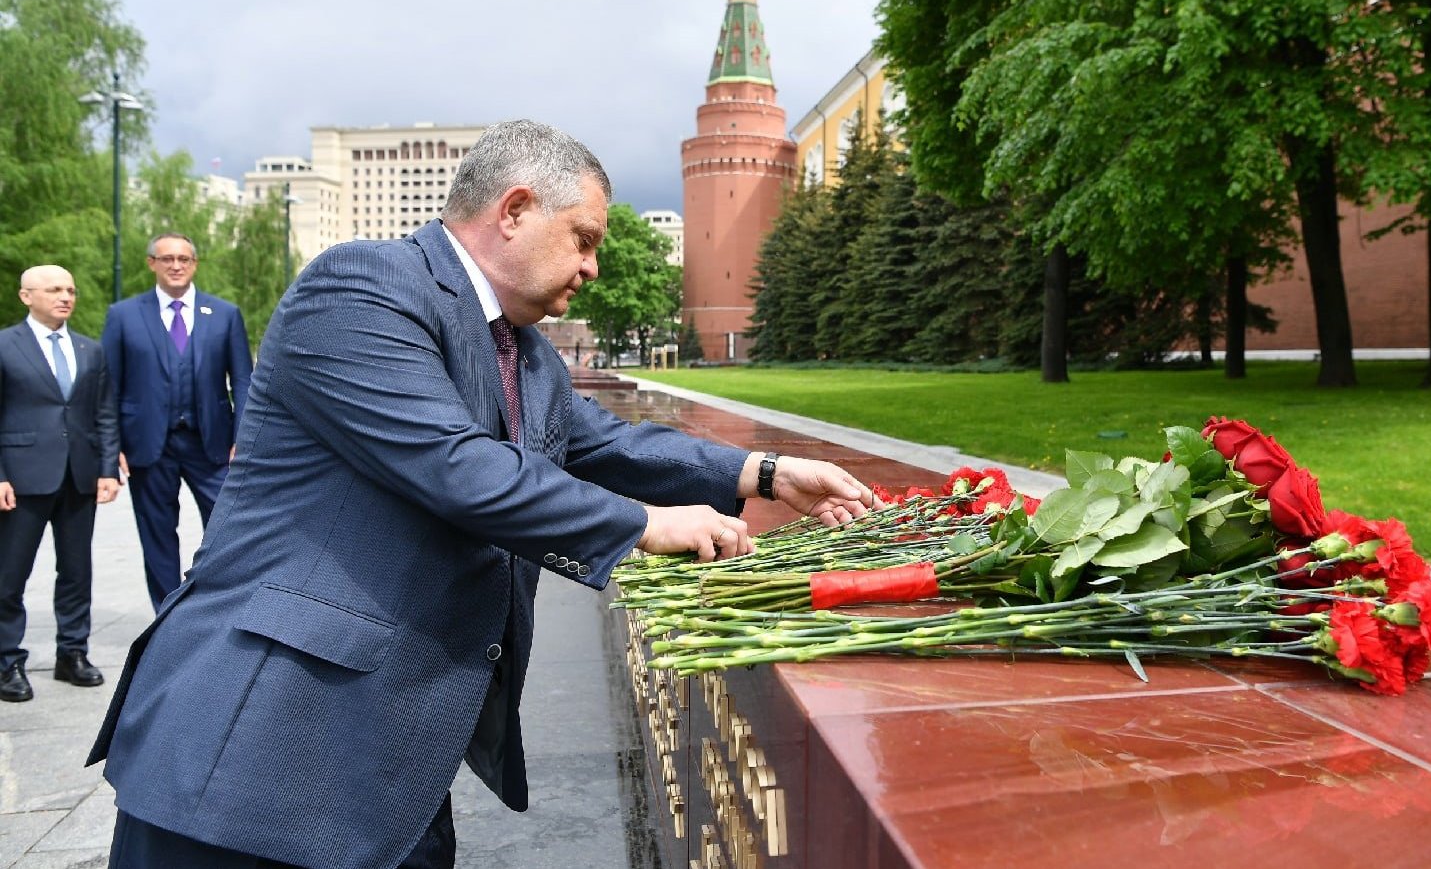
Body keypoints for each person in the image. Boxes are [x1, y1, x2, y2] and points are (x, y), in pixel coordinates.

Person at [90, 120, 877, 869]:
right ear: (515, 210)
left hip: (387, 770)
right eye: (585, 238)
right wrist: (645, 524)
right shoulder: (362, 286)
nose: (594, 265)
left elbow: (609, 443)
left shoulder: (527, 354)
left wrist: (767, 473)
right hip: (251, 755)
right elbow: (455, 464)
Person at [100, 233, 253, 610]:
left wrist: (244, 438)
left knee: (228, 529)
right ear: (151, 263)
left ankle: (219, 608)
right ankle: (165, 617)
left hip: (212, 444)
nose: (176, 265)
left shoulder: (224, 314)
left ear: (195, 264)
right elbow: (108, 387)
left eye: (184, 259)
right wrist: (111, 448)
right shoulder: (123, 316)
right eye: (167, 258)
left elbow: (245, 381)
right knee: (157, 538)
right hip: (148, 445)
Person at [0, 265, 121, 703]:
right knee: (10, 574)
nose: (65, 296)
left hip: (79, 476)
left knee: (76, 572)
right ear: (25, 296)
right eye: (54, 289)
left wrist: (108, 469)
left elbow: (104, 413)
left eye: (70, 289)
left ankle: (73, 653)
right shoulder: (5, 346)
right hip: (22, 477)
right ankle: (7, 660)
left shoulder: (90, 350)